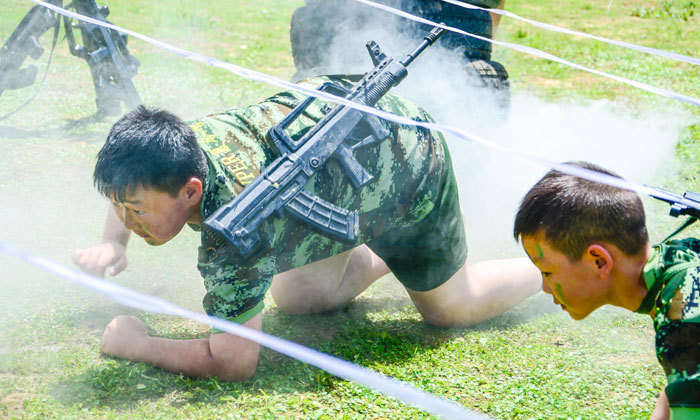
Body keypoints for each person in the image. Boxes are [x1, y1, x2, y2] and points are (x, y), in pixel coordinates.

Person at [73, 74, 540, 381]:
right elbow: (129, 186)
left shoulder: (232, 229)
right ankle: (382, 253)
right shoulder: (178, 145)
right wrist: (111, 243)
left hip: (404, 151)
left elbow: (233, 361)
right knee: (298, 298)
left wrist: (137, 344)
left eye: (135, 211)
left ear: (191, 191)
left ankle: (550, 267)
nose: (126, 220)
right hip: (335, 150)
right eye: (117, 207)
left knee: (450, 307)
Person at [513, 161, 700, 420]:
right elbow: (682, 380)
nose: (545, 288)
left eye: (547, 272)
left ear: (599, 261)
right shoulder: (678, 265)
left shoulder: (685, 314)